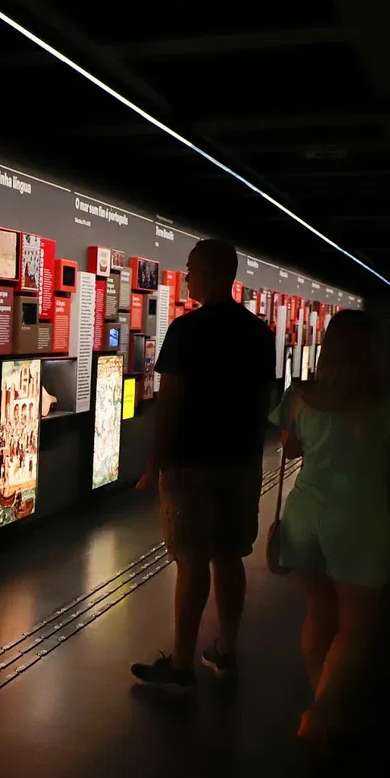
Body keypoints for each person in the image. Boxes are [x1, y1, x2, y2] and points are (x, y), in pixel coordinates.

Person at [270, 310, 390, 744]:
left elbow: (291, 448)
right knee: (356, 626)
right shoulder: (387, 400)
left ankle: (325, 704)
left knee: (319, 614)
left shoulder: (302, 395)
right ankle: (320, 715)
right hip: (360, 518)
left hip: (305, 514)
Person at [132, 239, 276, 692]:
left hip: (192, 463)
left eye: (191, 268)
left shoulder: (186, 330)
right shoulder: (259, 334)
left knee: (191, 560)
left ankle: (181, 665)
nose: (187, 275)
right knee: (230, 555)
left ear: (211, 271)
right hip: (240, 461)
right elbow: (261, 401)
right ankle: (226, 650)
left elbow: (170, 403)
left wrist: (156, 463)